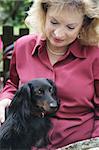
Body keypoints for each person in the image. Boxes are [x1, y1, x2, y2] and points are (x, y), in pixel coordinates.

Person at [0, 0, 99, 149]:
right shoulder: (22, 47)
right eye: (54, 22)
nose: (59, 33)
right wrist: (6, 98)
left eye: (70, 27)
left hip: (80, 145)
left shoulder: (95, 56)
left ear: (83, 25)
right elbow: (13, 84)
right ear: (44, 14)